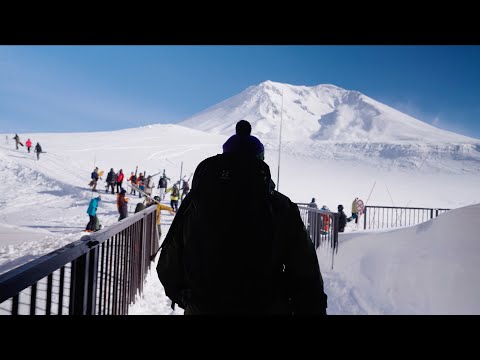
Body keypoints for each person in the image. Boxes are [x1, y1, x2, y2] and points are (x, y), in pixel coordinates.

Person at [157, 120, 327, 315]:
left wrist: (186, 297)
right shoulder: (280, 205)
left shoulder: (196, 201)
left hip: (203, 307)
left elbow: (168, 263)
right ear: (261, 161)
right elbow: (305, 269)